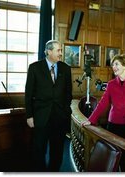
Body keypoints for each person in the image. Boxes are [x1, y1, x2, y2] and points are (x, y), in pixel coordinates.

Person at [25, 40, 72, 171]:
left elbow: (69, 93)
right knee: (39, 151)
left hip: (60, 118)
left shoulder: (65, 68)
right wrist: (29, 116)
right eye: (58, 50)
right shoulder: (34, 68)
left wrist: (65, 109)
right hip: (41, 117)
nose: (61, 54)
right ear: (49, 51)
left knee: (57, 151)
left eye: (61, 51)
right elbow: (28, 94)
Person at [81, 54, 125, 142]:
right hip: (114, 124)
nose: (113, 67)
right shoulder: (111, 84)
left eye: (116, 64)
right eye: (112, 65)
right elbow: (102, 103)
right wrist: (91, 120)